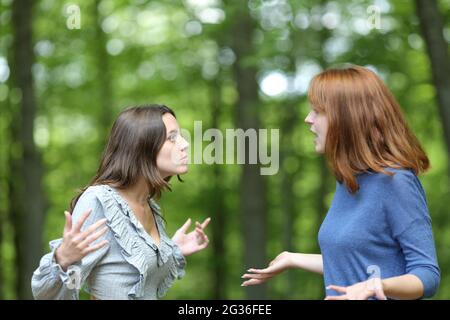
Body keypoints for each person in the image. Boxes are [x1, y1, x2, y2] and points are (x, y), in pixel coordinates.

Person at [241, 65, 440, 300]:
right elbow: (353, 259)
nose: (308, 119)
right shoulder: (349, 182)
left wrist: (377, 286)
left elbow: (427, 274)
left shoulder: (396, 181)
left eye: (318, 111)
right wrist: (293, 258)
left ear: (349, 118)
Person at [32, 105, 211, 300]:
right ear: (142, 146)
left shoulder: (150, 207)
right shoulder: (100, 201)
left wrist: (173, 250)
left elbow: (133, 279)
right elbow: (53, 292)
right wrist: (63, 260)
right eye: (172, 138)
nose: (184, 144)